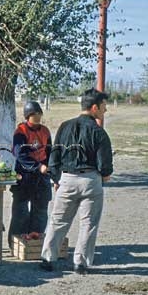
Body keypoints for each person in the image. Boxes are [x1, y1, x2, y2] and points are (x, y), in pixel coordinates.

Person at [40, 89, 113, 274]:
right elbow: (105, 164)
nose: (105, 110)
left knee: (58, 220)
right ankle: (80, 263)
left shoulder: (64, 127)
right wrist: (104, 174)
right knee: (88, 223)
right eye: (104, 107)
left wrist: (56, 178)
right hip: (91, 180)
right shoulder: (99, 132)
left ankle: (47, 258)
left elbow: (54, 155)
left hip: (67, 179)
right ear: (95, 107)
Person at [8, 101, 52, 245]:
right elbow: (20, 154)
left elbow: (50, 151)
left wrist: (49, 167)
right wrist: (37, 166)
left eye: (39, 113)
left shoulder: (45, 131)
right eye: (34, 114)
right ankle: (16, 244)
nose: (38, 116)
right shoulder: (20, 132)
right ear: (28, 116)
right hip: (25, 175)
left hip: (42, 177)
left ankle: (36, 243)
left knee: (40, 211)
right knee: (21, 212)